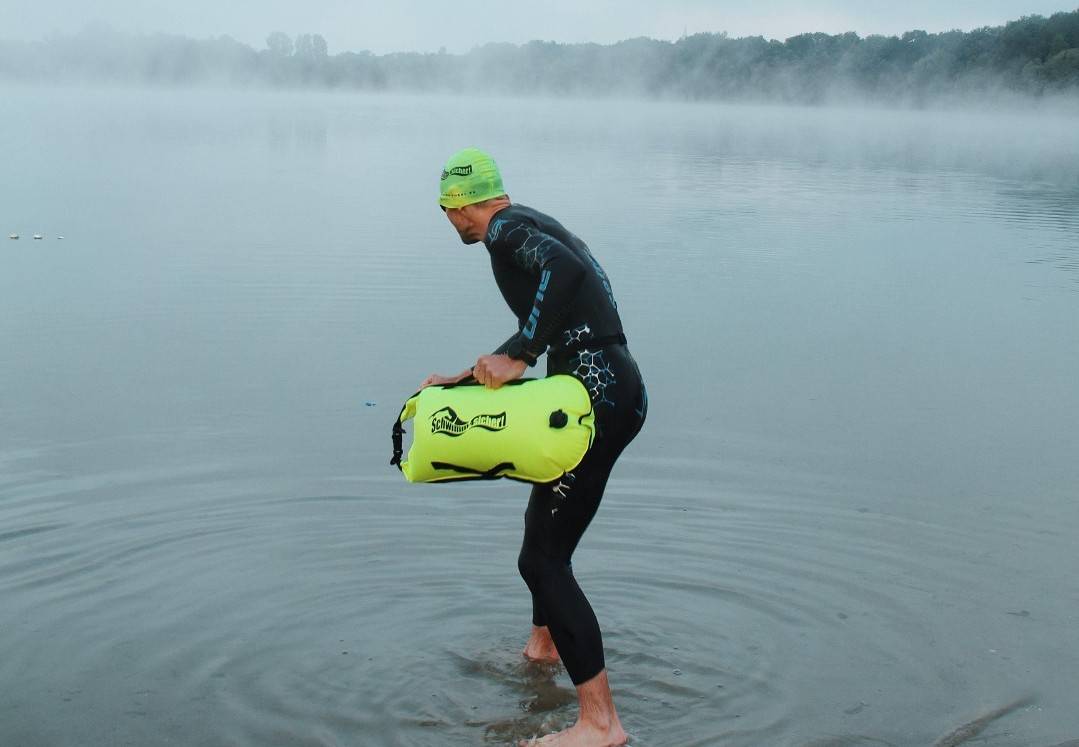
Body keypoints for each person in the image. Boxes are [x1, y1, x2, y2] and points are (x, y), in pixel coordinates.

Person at [421, 147, 647, 747]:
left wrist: (520, 352)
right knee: (539, 540)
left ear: (461, 203)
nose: (453, 224)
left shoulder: (503, 230)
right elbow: (565, 294)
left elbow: (564, 276)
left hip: (594, 396)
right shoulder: (534, 222)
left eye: (449, 212)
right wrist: (466, 377)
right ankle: (543, 648)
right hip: (608, 386)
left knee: (545, 561)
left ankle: (601, 724)